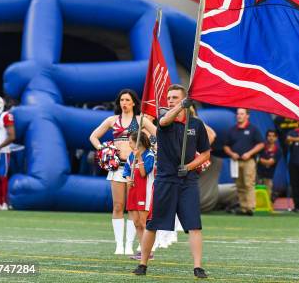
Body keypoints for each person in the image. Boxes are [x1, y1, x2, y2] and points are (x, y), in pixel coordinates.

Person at [133, 84, 210, 278]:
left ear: (185, 99)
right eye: (169, 98)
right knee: (153, 223)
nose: (170, 101)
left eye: (175, 98)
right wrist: (180, 106)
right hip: (166, 179)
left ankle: (198, 267)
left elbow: (206, 153)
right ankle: (143, 264)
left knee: (194, 225)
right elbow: (166, 119)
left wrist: (190, 166)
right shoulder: (164, 120)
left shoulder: (196, 124)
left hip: (188, 180)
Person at [89, 89, 156, 255]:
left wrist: (151, 149)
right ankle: (119, 245)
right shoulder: (112, 120)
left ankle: (130, 245)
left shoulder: (141, 120)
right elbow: (93, 137)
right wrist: (104, 149)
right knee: (118, 206)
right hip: (118, 167)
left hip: (135, 168)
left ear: (134, 102)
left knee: (132, 207)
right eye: (122, 100)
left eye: (127, 100)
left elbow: (157, 134)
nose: (124, 103)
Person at [223, 108, 264, 215]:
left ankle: (251, 207)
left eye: (242, 114)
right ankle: (243, 207)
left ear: (247, 116)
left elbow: (261, 144)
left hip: (249, 160)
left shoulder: (253, 129)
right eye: (238, 114)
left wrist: (249, 153)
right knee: (239, 184)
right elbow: (226, 146)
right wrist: (232, 154)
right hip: (236, 161)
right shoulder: (232, 130)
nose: (239, 116)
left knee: (249, 183)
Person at [123, 131, 155, 260]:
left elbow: (143, 173)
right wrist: (127, 179)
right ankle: (143, 250)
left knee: (143, 223)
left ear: (138, 142)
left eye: (130, 141)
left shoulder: (149, 155)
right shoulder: (131, 155)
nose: (129, 143)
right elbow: (126, 171)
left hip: (144, 192)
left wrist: (139, 158)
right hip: (133, 191)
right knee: (136, 223)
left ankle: (148, 252)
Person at [257, 129, 280, 199]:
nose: (271, 138)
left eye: (273, 136)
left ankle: (268, 207)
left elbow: (271, 162)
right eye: (269, 136)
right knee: (256, 193)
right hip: (258, 174)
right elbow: (257, 159)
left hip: (269, 176)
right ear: (266, 137)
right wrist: (264, 161)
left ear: (276, 138)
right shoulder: (261, 147)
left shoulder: (278, 150)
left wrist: (261, 160)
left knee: (267, 194)